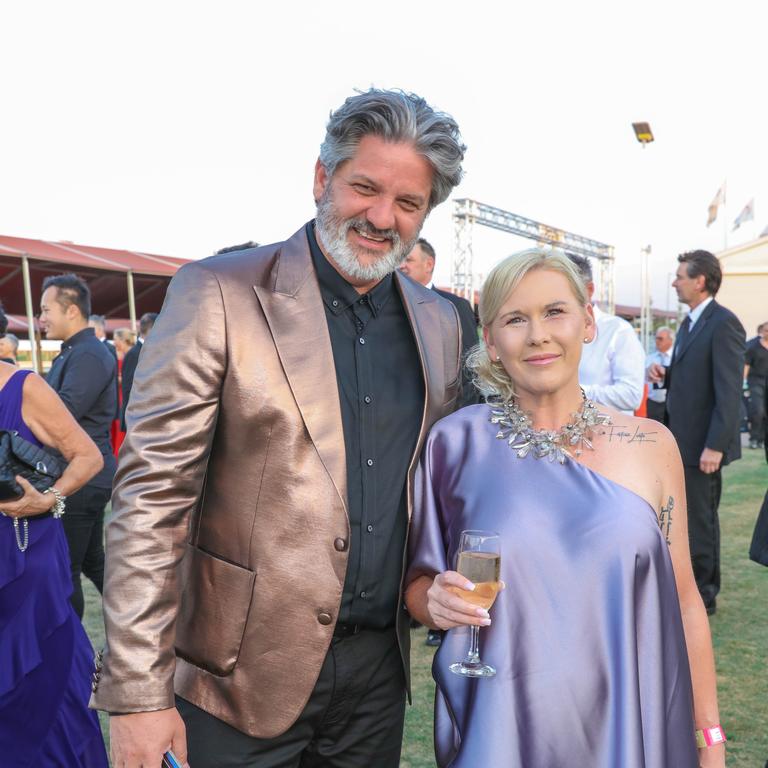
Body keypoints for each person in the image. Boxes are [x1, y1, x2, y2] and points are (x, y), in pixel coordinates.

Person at [92, 88, 466, 768]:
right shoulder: (218, 293)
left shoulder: (438, 322)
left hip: (376, 682)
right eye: (365, 188)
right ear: (323, 178)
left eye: (408, 203)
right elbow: (150, 503)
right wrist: (138, 696)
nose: (383, 217)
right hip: (234, 680)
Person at [405, 249, 724, 768]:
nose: (537, 335)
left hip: (627, 725)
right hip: (502, 723)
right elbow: (417, 585)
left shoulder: (650, 444)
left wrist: (709, 737)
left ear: (588, 322)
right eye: (514, 319)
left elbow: (685, 599)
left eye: (555, 311)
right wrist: (432, 603)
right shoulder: (454, 444)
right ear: (489, 339)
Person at [0, 308, 108, 765]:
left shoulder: (23, 387)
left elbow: (87, 457)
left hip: (24, 553)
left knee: (45, 680)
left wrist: (50, 499)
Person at [649, 250, 745, 615]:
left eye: (680, 276)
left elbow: (728, 391)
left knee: (701, 521)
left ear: (699, 280)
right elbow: (695, 378)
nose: (675, 282)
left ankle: (705, 596)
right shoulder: (689, 323)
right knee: (683, 519)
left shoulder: (724, 324)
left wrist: (715, 446)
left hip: (703, 447)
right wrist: (666, 375)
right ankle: (686, 586)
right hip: (681, 442)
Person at [39, 273, 118, 619]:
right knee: (91, 562)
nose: (40, 319)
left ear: (71, 310)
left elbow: (64, 414)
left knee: (65, 570)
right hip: (85, 475)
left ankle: (72, 656)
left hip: (81, 477)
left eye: (45, 310)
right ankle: (142, 623)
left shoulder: (86, 355)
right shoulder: (75, 352)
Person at [400, 238, 479, 408]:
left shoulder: (455, 306)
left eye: (408, 259)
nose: (401, 265)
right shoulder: (388, 305)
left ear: (429, 264)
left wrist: (460, 423)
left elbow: (469, 370)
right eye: (399, 259)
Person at [567, 253, 646, 414]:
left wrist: (571, 392)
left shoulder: (618, 330)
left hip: (610, 434)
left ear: (589, 290)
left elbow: (631, 395)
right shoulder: (549, 334)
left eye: (567, 289)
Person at [120, 312, 156, 431]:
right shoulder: (135, 354)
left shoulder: (144, 351)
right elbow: (129, 388)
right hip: (136, 419)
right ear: (152, 329)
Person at [110, 328, 137, 456]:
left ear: (122, 340)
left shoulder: (130, 355)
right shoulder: (124, 354)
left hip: (123, 397)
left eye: (115, 340)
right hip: (120, 396)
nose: (114, 343)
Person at [744, 321, 768, 449]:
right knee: (758, 410)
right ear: (762, 332)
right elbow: (746, 365)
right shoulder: (754, 347)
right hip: (756, 382)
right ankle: (754, 438)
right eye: (766, 330)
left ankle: (762, 439)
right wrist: (743, 383)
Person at [645, 325, 675, 422]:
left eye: (660, 339)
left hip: (672, 403)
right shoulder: (650, 358)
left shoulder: (677, 358)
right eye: (656, 338)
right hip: (653, 403)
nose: (657, 341)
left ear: (670, 340)